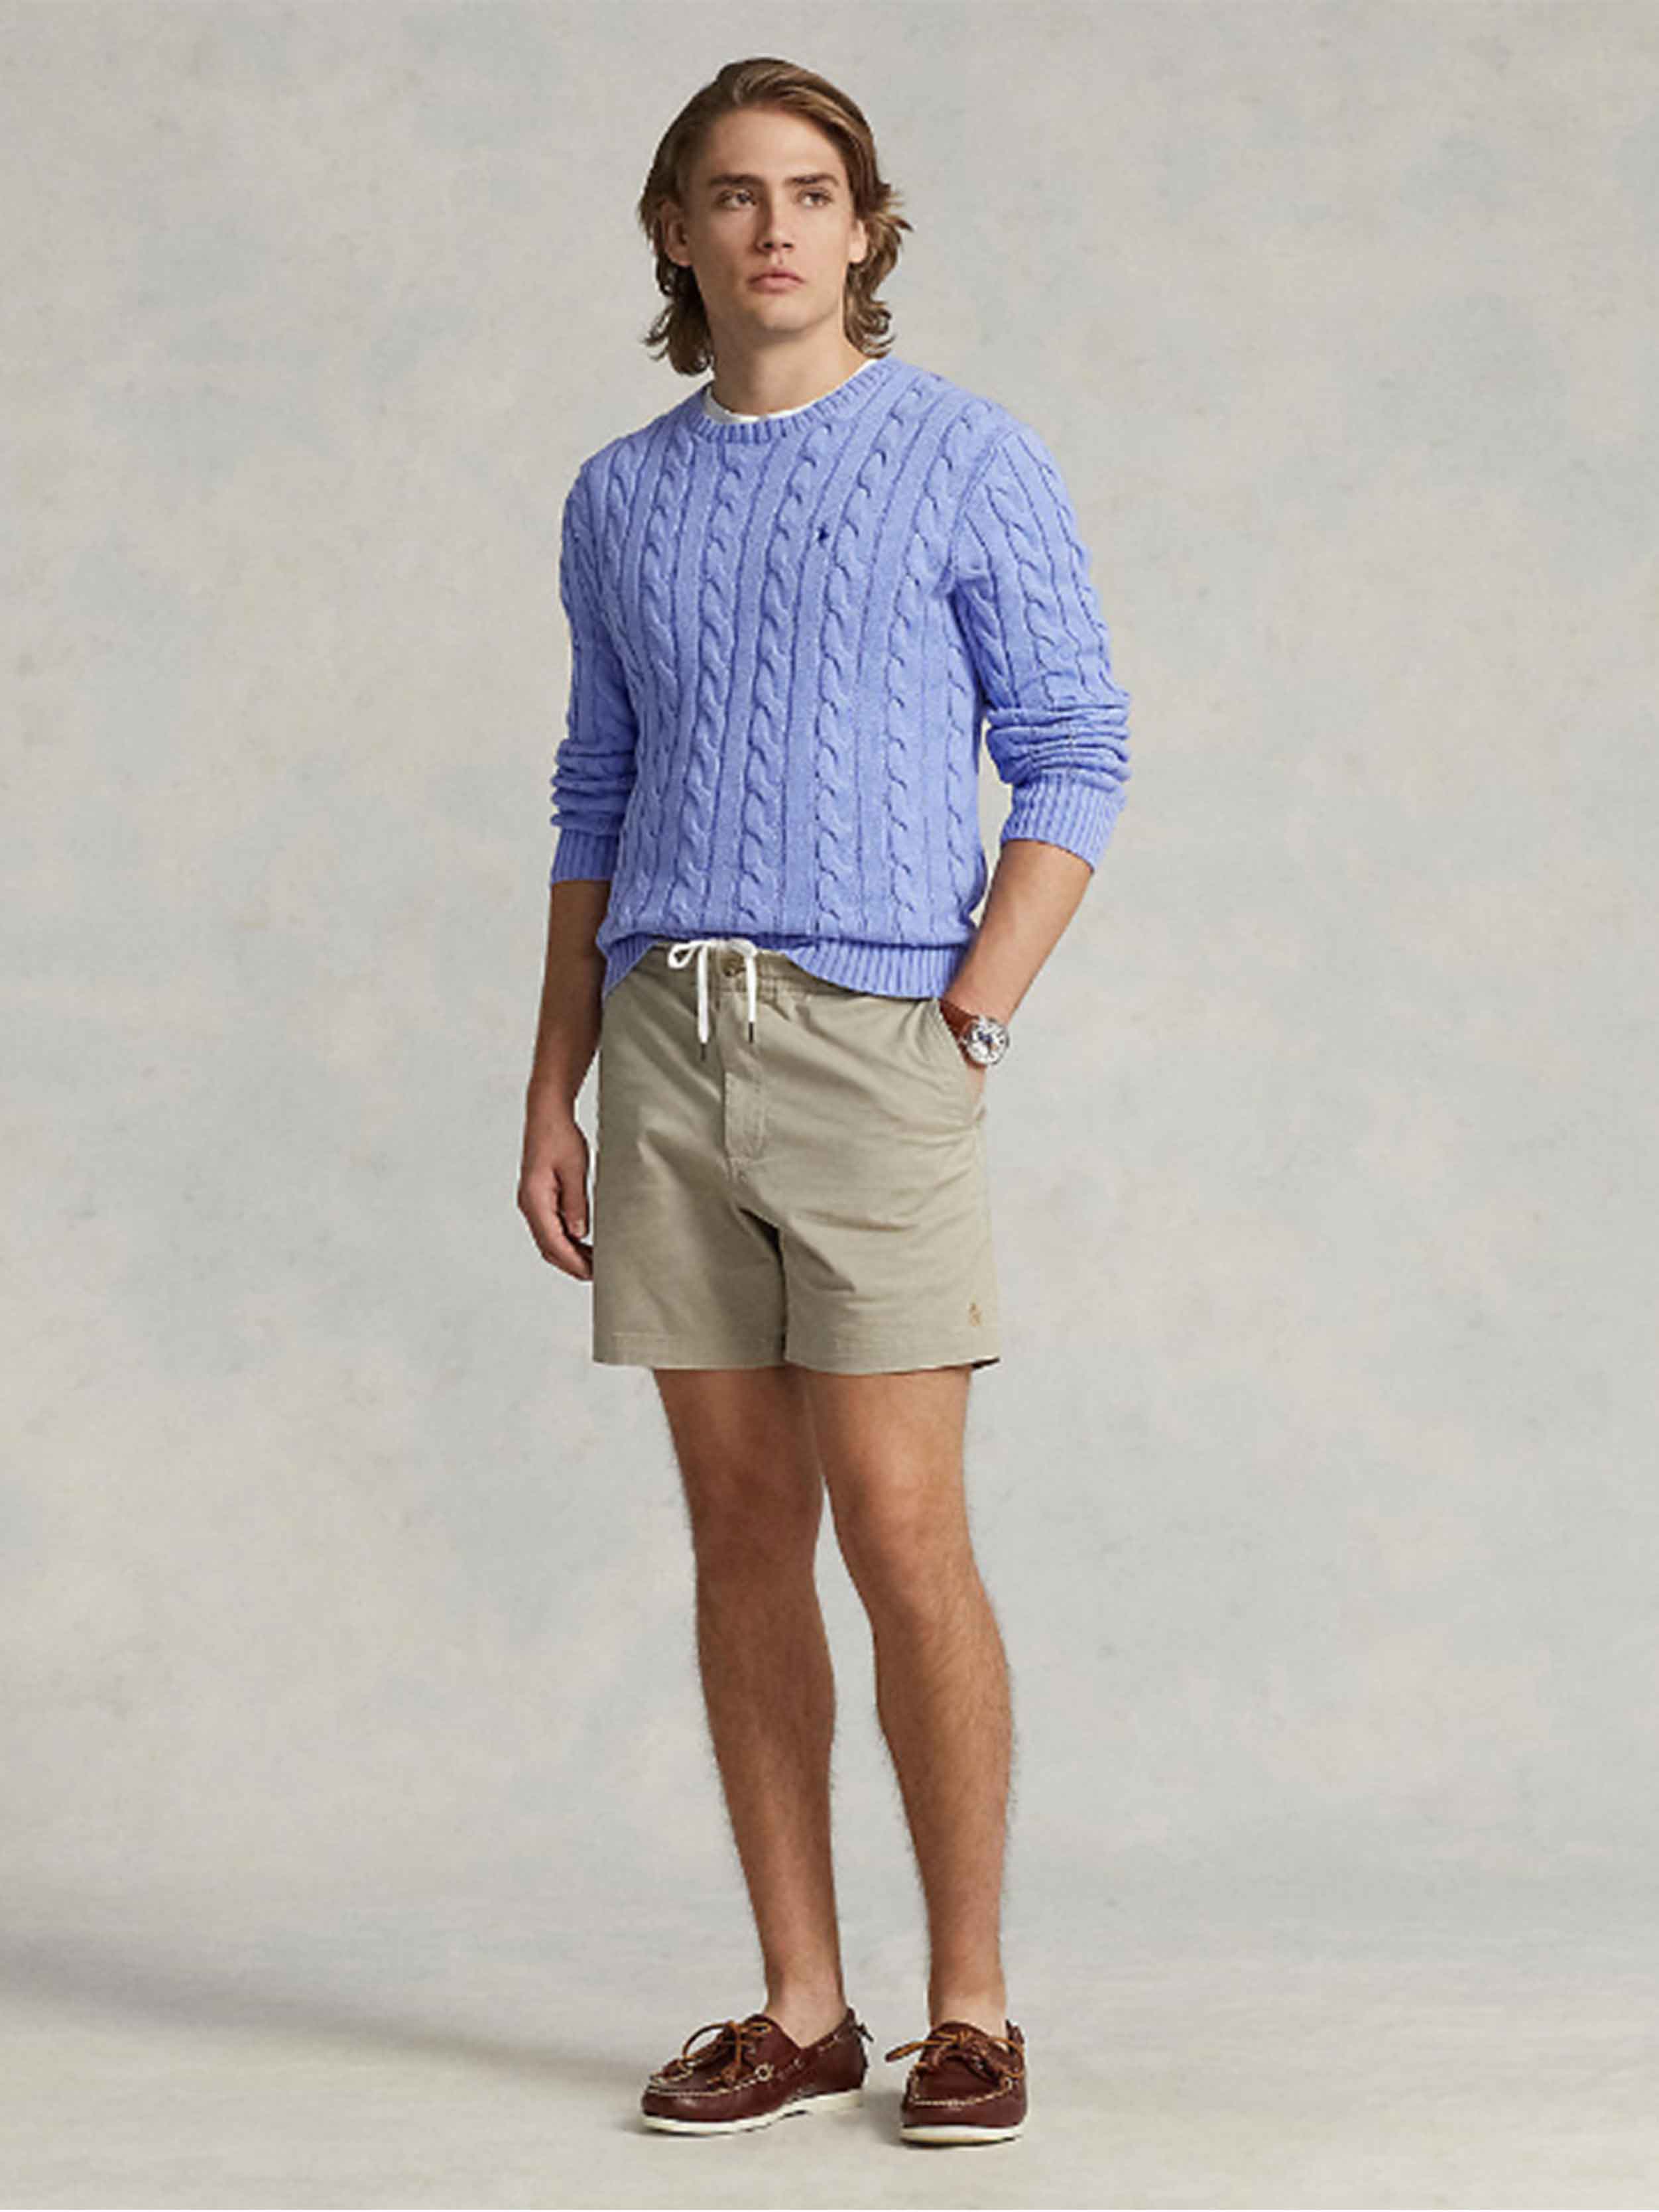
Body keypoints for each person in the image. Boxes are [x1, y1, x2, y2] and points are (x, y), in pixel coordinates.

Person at [517, 56, 1131, 2147]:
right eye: (730, 192)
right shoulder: (618, 497)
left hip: (878, 1040)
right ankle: (802, 2003)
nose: (772, 226)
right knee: (740, 1530)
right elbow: (596, 794)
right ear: (675, 233)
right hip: (663, 1042)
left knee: (900, 1521)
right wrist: (556, 1088)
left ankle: (973, 2005)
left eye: (810, 190)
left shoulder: (965, 455)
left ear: (867, 229)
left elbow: (1075, 748)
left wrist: (971, 1012)